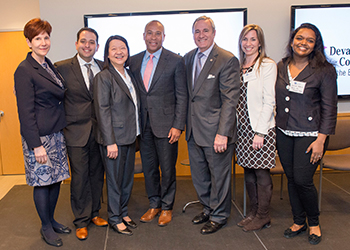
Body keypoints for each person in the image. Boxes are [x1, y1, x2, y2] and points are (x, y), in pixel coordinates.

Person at [275, 23, 337, 245]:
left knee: (303, 179)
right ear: (292, 41)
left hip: (310, 135)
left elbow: (330, 109)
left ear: (315, 45)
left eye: (309, 40)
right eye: (300, 38)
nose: (303, 43)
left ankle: (314, 222)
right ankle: (298, 220)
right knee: (291, 178)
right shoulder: (281, 66)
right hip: (284, 132)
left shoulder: (324, 70)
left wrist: (321, 140)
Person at [14, 18, 71, 247]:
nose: (43, 42)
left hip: (56, 133)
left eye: (46, 37)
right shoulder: (24, 70)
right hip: (39, 137)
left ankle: (51, 219)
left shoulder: (49, 65)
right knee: (42, 183)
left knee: (56, 180)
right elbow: (25, 112)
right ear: (29, 42)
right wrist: (36, 144)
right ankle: (45, 227)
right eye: (38, 38)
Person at [184, 16, 240, 234]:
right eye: (197, 31)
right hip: (193, 131)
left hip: (216, 132)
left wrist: (223, 133)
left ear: (214, 33)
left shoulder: (226, 60)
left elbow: (230, 100)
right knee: (200, 177)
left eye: (205, 31)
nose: (201, 35)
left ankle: (219, 215)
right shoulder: (188, 58)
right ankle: (208, 208)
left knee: (219, 177)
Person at [129, 20, 187, 226]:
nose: (154, 37)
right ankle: (154, 204)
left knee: (168, 169)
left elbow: (182, 95)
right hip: (142, 126)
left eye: (158, 34)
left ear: (164, 36)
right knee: (149, 167)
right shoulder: (133, 61)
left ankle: (167, 207)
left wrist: (178, 125)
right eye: (150, 33)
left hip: (167, 126)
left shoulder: (175, 60)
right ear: (143, 35)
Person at [54, 27, 107, 241]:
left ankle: (94, 213)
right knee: (80, 177)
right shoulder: (62, 68)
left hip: (100, 132)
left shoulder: (105, 67)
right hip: (75, 132)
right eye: (83, 41)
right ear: (76, 44)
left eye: (92, 42)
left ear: (97, 46)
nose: (87, 45)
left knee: (96, 175)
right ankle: (81, 220)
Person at [94, 35, 140, 236]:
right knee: (114, 180)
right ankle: (114, 217)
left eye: (123, 48)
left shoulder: (129, 74)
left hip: (131, 136)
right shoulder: (103, 77)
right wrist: (109, 142)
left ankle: (123, 211)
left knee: (127, 179)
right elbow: (102, 110)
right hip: (114, 140)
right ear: (107, 54)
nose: (119, 52)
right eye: (114, 49)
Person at [235, 24, 277, 232]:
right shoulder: (238, 65)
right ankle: (253, 212)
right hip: (242, 129)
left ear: (260, 43)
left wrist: (260, 132)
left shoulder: (267, 65)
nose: (248, 43)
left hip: (260, 129)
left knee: (261, 173)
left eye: (253, 39)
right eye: (245, 39)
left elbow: (269, 101)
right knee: (248, 172)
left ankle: (263, 215)